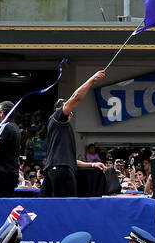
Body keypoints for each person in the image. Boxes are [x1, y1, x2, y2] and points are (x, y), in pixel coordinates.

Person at [42, 70, 107, 198]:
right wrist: (92, 79)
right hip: (61, 172)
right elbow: (76, 97)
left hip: (56, 171)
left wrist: (92, 164)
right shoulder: (57, 118)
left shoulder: (63, 129)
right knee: (67, 207)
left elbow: (70, 160)